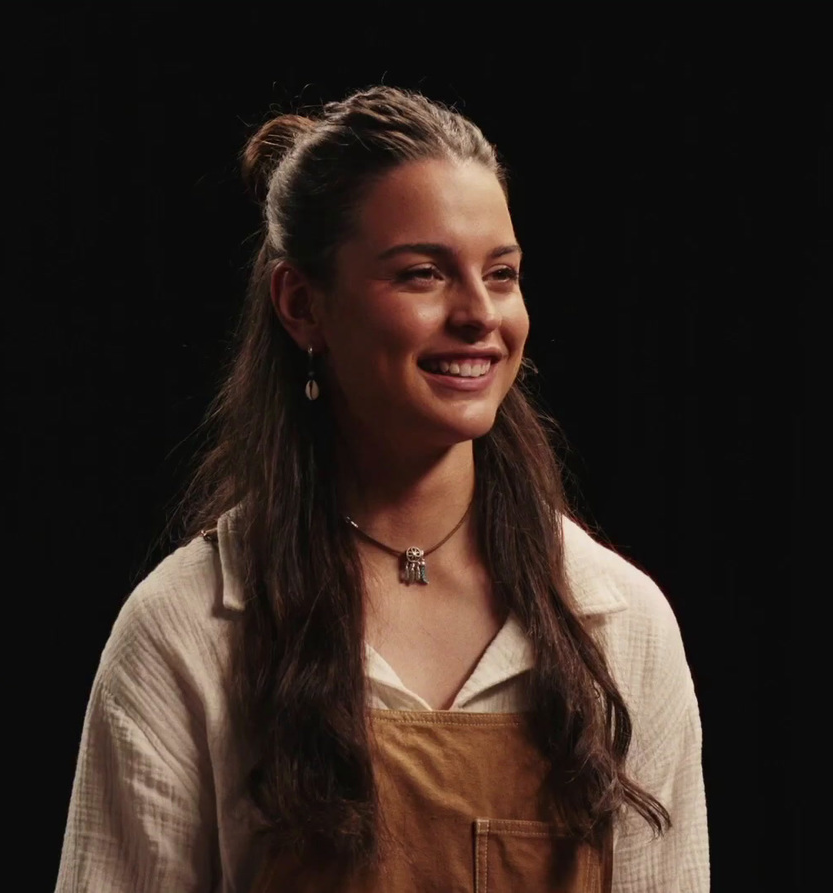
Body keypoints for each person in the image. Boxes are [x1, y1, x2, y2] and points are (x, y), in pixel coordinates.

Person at [53, 86, 709, 892]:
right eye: (423, 274)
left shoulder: (617, 625)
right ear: (302, 305)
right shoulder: (190, 630)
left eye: (501, 275)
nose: (478, 314)